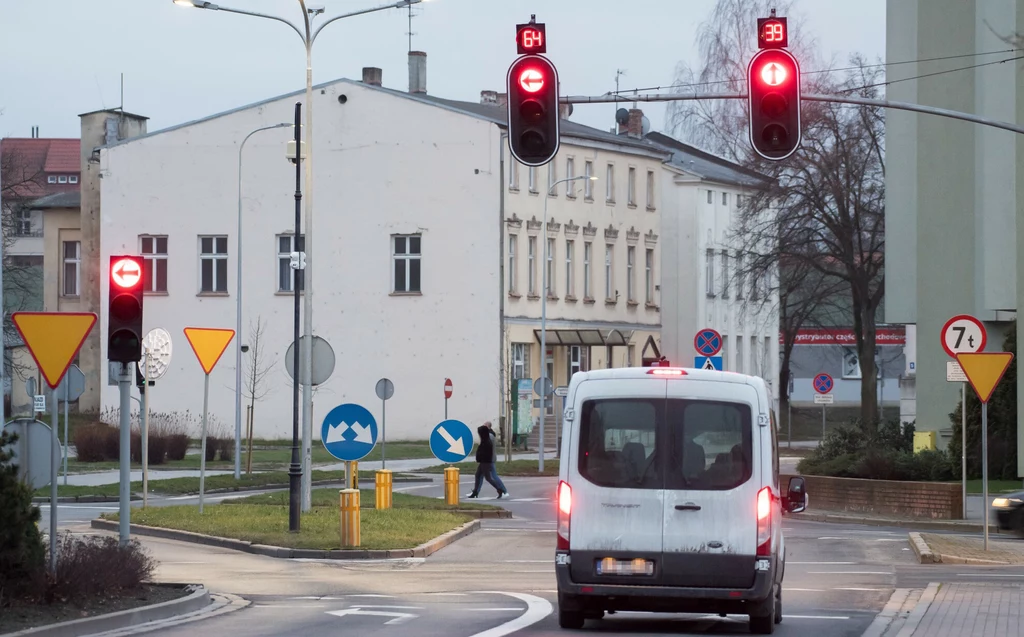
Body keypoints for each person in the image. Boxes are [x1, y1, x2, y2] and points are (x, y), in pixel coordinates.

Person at [468, 423, 508, 499]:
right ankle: (475, 492)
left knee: (489, 478)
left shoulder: (488, 441)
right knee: (478, 475)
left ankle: (501, 490)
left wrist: (482, 459)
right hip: (484, 462)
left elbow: (486, 453)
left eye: (479, 433)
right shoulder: (485, 440)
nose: (479, 435)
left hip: (486, 462)